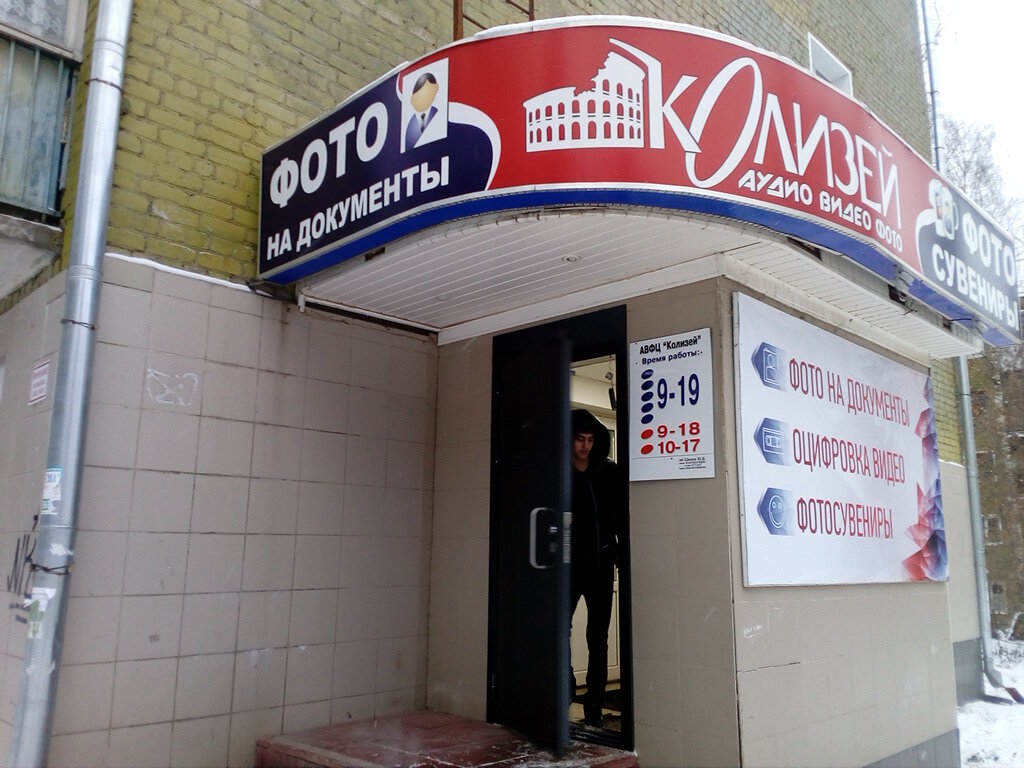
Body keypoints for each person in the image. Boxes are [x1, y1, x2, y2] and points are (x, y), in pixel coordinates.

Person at [569, 408, 623, 727]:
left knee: (598, 637)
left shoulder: (608, 472)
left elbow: (620, 515)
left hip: (601, 564)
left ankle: (594, 707)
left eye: (590, 440)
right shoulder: (558, 473)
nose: (585, 446)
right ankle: (566, 688)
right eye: (579, 439)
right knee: (559, 630)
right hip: (568, 566)